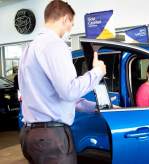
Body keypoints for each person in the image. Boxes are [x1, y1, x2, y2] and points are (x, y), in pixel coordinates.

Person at [18, 0, 106, 163]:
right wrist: (97, 72)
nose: (69, 29)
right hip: (51, 138)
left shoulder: (28, 49)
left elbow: (55, 96)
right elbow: (69, 91)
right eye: (71, 24)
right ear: (65, 19)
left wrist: (96, 107)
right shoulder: (56, 45)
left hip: (29, 135)